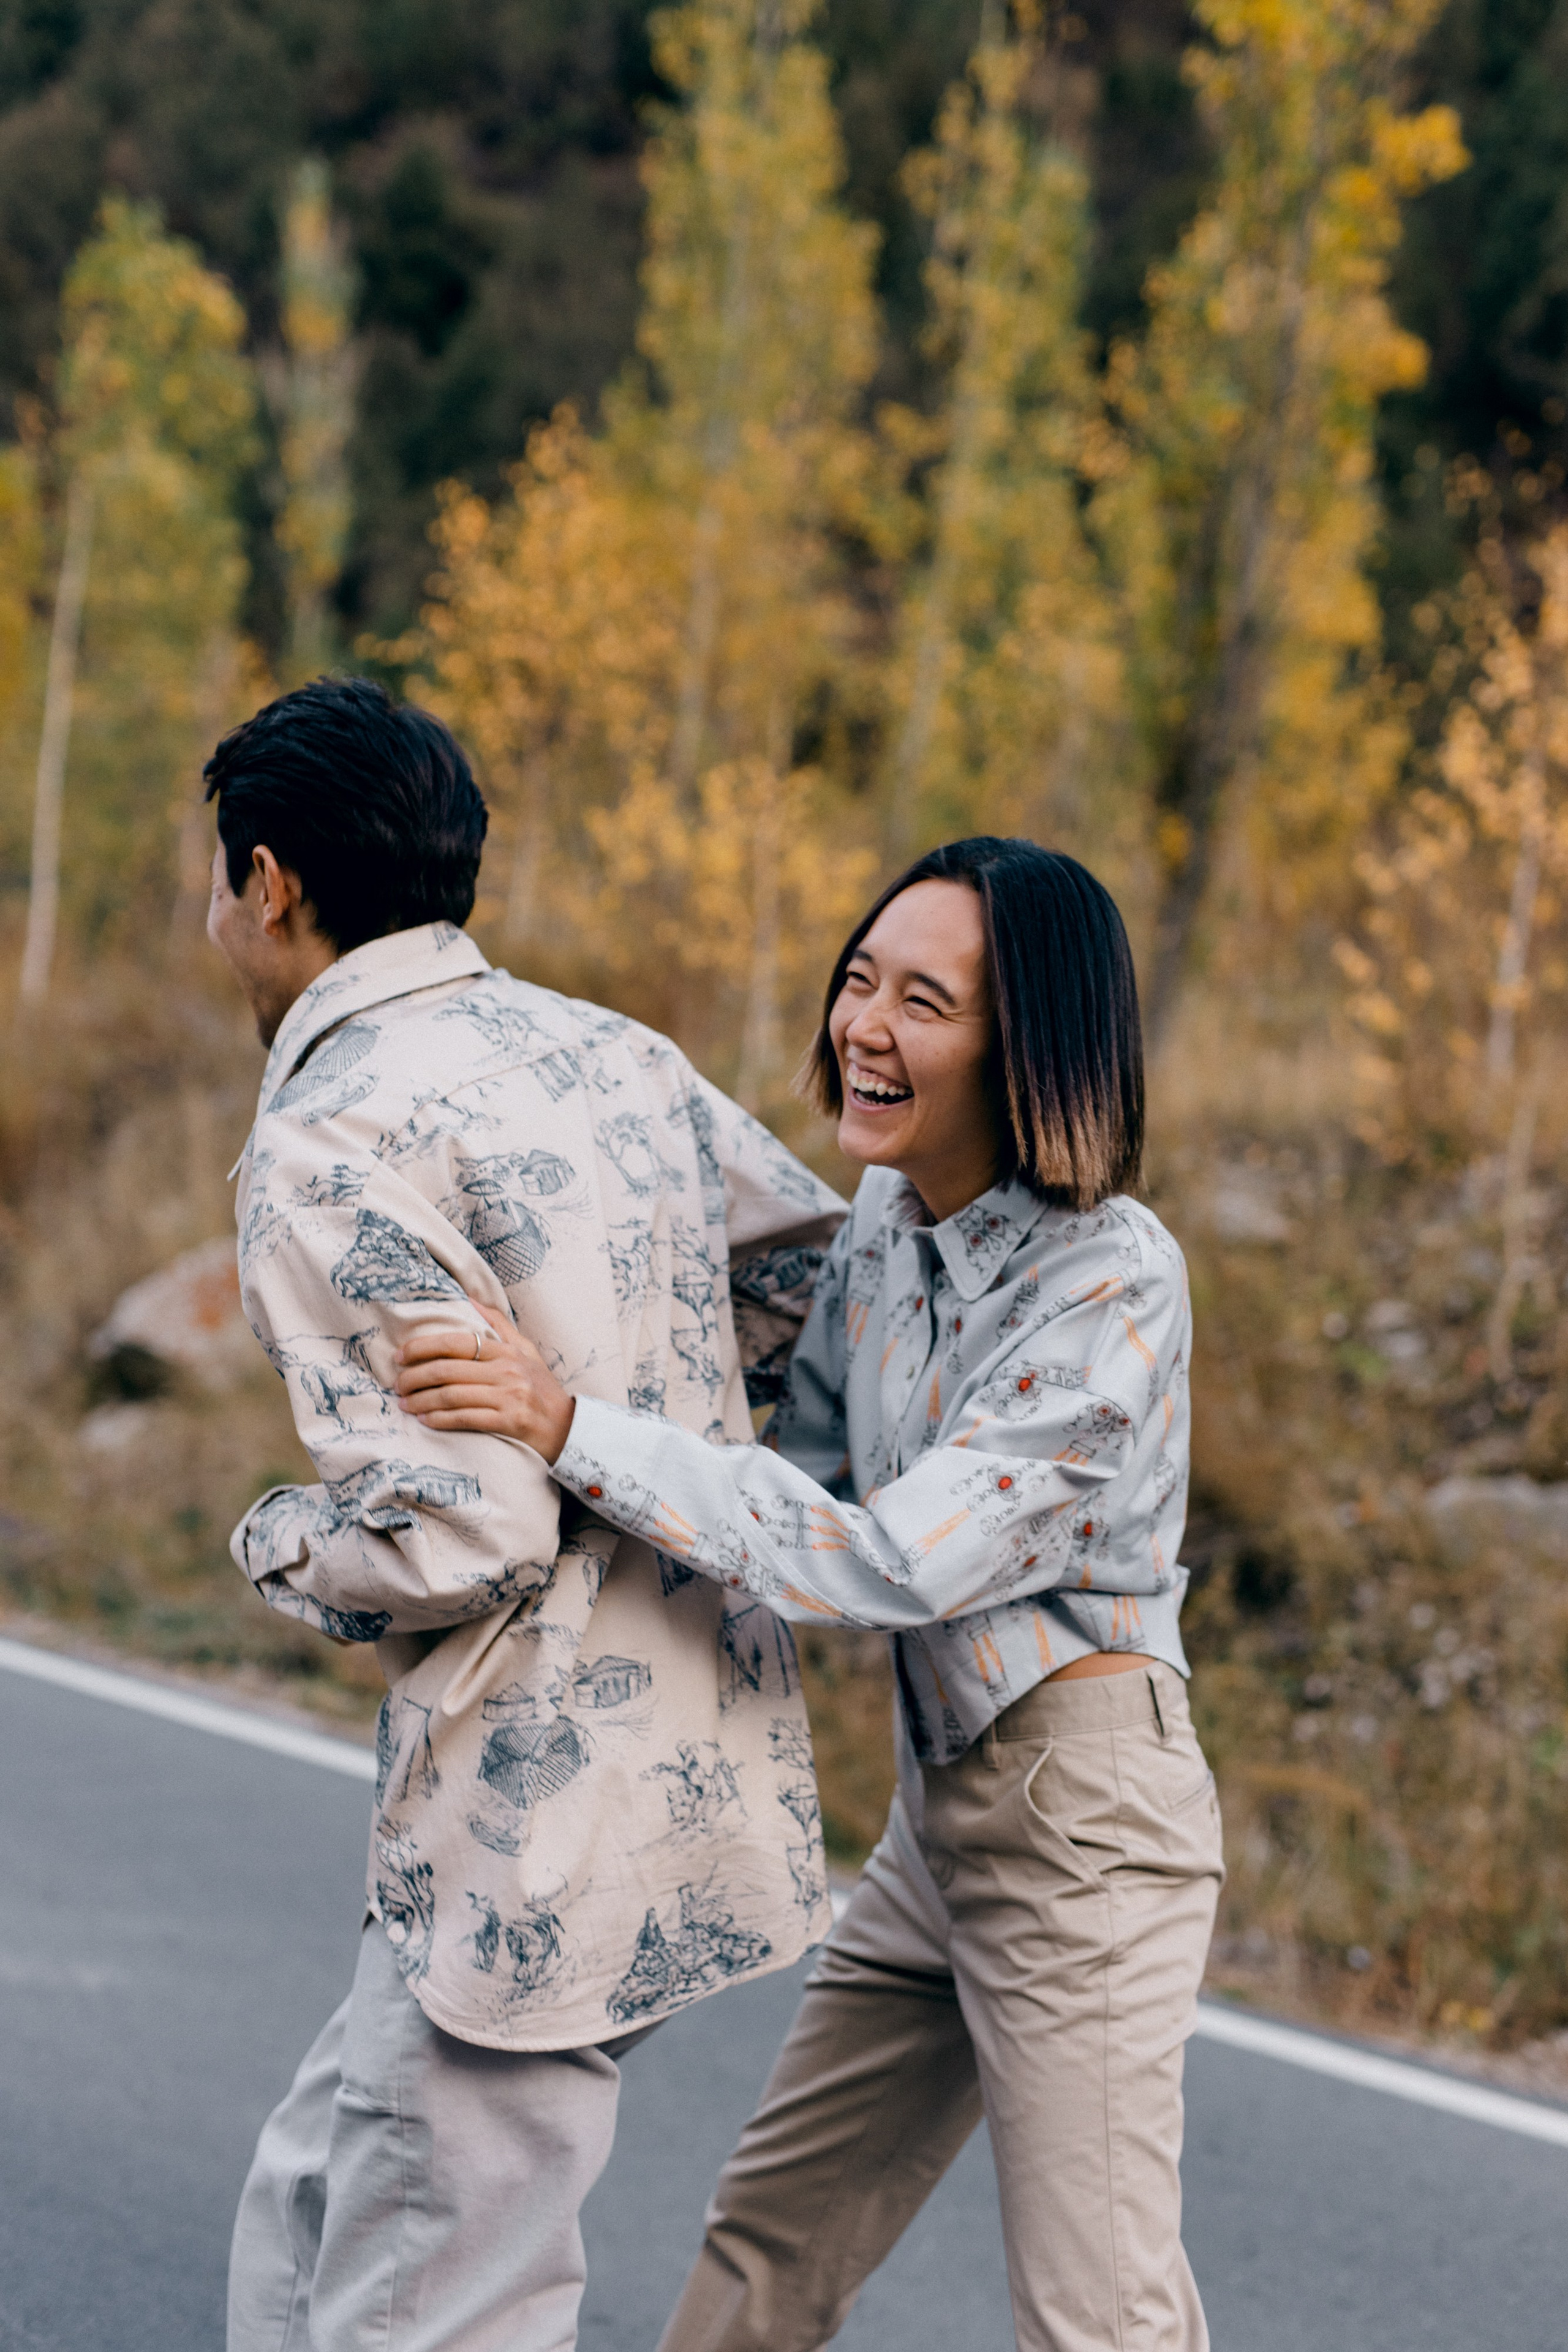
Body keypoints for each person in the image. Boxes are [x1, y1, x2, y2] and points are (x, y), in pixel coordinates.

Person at [399, 835, 1226, 2352]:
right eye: (860, 979)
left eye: (924, 1001)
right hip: (943, 1819)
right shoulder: (883, 1225)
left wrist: (571, 1428)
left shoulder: (1112, 1281)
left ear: (1026, 1043)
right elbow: (799, 1468)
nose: (864, 1025)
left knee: (1095, 2319)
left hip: (1085, 1836)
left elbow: (888, 1559)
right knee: (769, 2246)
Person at [205, 675, 846, 2352]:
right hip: (705, 1746)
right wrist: (647, 1415)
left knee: (434, 2299)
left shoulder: (331, 1128)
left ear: (268, 882)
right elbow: (817, 1286)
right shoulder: (611, 1047)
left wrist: (277, 1542)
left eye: (221, 885)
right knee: (319, 2194)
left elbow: (463, 1533)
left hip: (529, 1806)